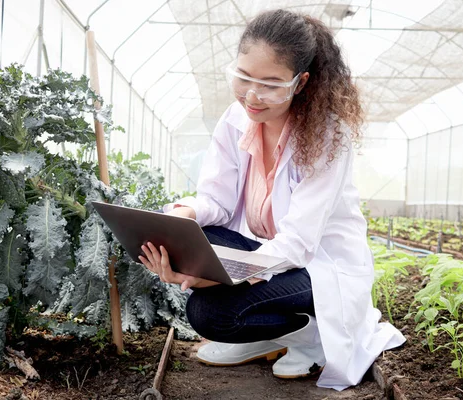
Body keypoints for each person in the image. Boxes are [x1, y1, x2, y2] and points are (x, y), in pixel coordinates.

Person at [138, 9, 405, 390]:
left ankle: (308, 335)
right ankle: (268, 335)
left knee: (209, 313)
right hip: (270, 252)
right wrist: (185, 215)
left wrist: (227, 275)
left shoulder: (328, 136)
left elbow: (298, 245)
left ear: (300, 83)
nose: (252, 94)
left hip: (320, 268)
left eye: (271, 83)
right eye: (244, 76)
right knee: (196, 242)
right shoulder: (235, 119)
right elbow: (218, 200)